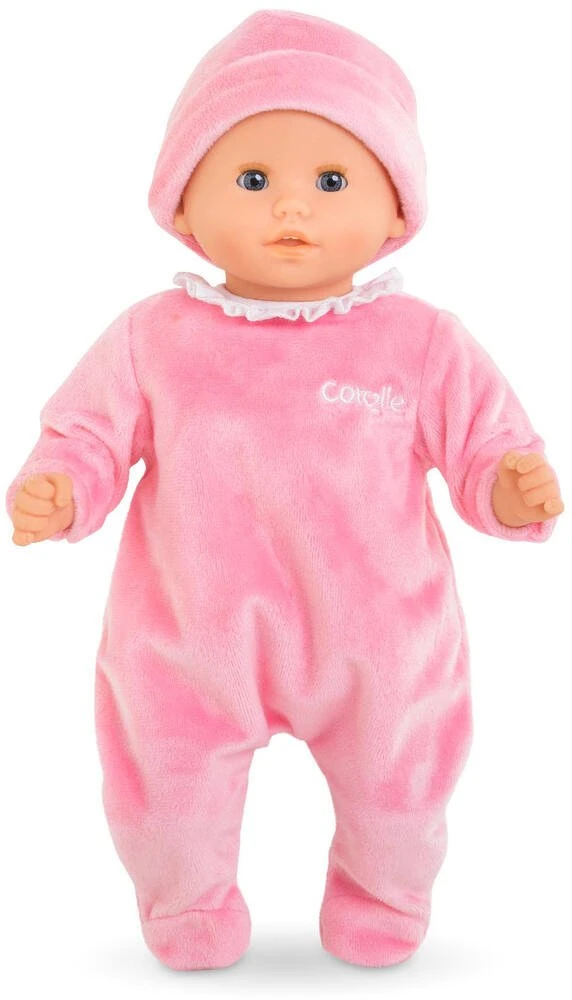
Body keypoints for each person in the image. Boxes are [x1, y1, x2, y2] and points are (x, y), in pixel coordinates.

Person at [5, 8, 564, 972]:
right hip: (188, 634)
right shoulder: (156, 337)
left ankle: (384, 899)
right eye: (253, 179)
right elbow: (87, 433)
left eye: (332, 181)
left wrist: (509, 491)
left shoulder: (420, 342)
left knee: (401, 788)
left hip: (380, 639)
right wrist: (61, 486)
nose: (291, 208)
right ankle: (185, 904)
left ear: (396, 213)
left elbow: (487, 447)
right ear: (183, 205)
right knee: (164, 789)